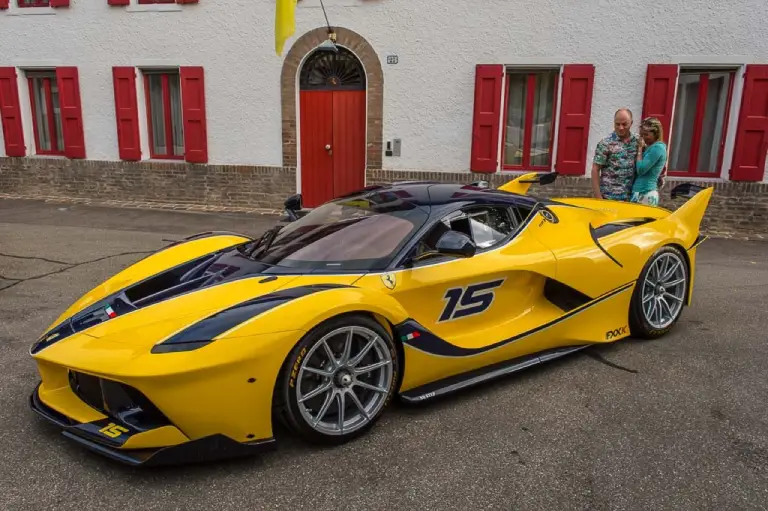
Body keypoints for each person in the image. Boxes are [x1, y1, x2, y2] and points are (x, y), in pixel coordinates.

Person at [591, 108, 640, 201]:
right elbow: (595, 170)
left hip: (631, 199)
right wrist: (599, 198)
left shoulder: (638, 141)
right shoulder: (606, 143)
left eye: (624, 124)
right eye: (617, 124)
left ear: (631, 123)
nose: (620, 128)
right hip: (609, 198)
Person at [630, 117, 667, 206]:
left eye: (646, 135)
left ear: (656, 134)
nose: (643, 138)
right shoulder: (651, 147)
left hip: (646, 193)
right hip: (639, 191)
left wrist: (639, 149)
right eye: (641, 134)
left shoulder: (657, 148)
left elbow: (641, 169)